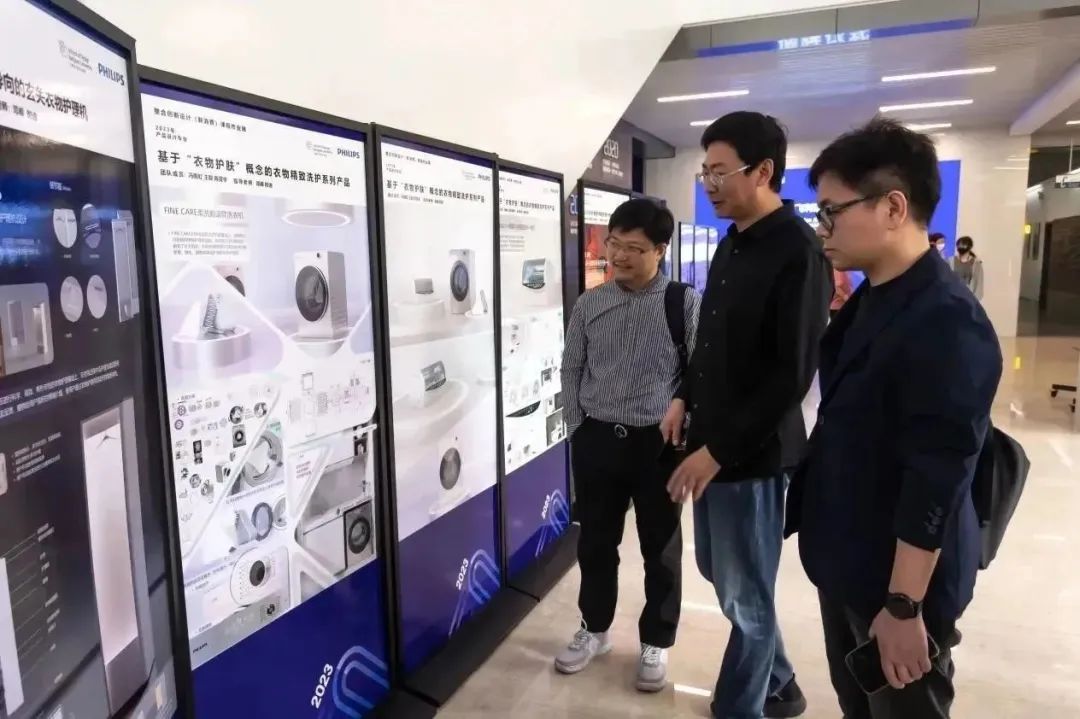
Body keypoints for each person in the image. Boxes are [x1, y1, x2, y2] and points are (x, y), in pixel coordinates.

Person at [787, 118, 1002, 718]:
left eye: (832, 211)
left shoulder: (947, 320)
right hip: (849, 559)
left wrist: (905, 606)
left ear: (893, 207)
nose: (821, 227)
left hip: (899, 584)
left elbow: (937, 474)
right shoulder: (873, 296)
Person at [664, 111, 832, 719]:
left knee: (745, 593)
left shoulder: (799, 252)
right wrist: (683, 395)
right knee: (720, 571)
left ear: (763, 172)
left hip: (752, 453)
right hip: (712, 439)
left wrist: (718, 452)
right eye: (704, 172)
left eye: (720, 171)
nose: (710, 184)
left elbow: (791, 374)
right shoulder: (732, 243)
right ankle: (780, 681)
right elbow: (710, 342)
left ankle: (743, 707)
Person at [556, 198, 700, 692]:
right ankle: (594, 629)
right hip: (597, 439)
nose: (618, 256)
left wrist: (686, 423)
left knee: (661, 549)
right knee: (596, 543)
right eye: (614, 244)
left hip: (658, 445)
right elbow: (571, 367)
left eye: (634, 248)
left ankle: (656, 639)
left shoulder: (683, 302)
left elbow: (699, 372)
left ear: (660, 250)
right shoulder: (591, 303)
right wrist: (578, 427)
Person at [948, 235, 984, 300]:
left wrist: (973, 301)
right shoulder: (950, 261)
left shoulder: (976, 264)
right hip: (953, 297)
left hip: (969, 298)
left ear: (970, 248)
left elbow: (979, 286)